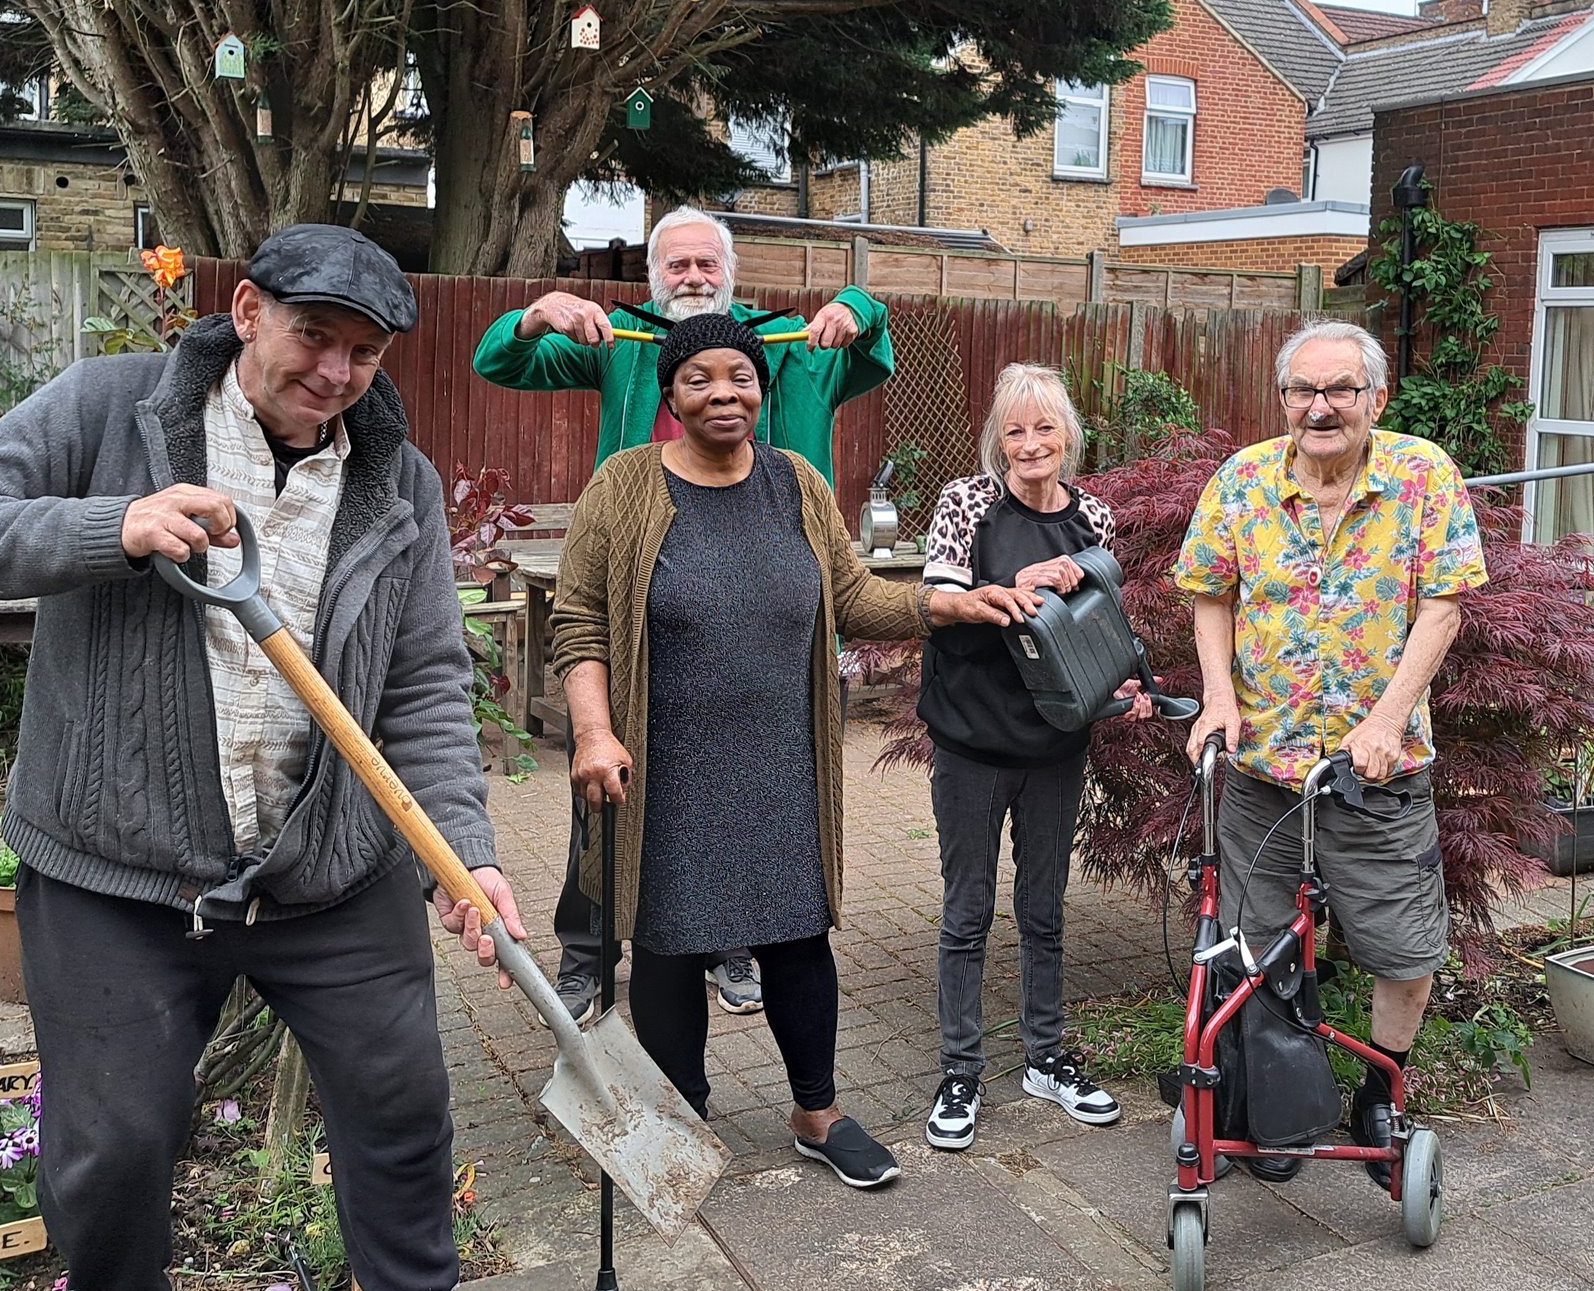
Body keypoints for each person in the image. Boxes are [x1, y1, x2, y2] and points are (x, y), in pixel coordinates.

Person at [0, 226, 547, 1291]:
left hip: (327, 871)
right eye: (314, 337)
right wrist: (112, 528)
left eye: (365, 351)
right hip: (118, 874)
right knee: (116, 1131)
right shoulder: (106, 409)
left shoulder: (395, 481)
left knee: (401, 1099)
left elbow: (424, 688)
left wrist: (469, 852)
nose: (337, 372)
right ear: (246, 310)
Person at [552, 314, 1033, 1190]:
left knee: (797, 939)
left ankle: (817, 1111)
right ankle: (680, 1116)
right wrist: (593, 728)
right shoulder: (622, 486)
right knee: (669, 946)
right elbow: (579, 619)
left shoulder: (796, 482)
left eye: (739, 375)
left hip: (782, 759)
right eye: (699, 378)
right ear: (670, 395)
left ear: (761, 388)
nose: (723, 392)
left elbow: (851, 597)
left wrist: (948, 604)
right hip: (667, 762)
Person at [474, 206, 893, 1023]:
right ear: (652, 277)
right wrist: (533, 315)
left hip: (767, 629)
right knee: (606, 790)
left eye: (706, 264)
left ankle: (731, 949)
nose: (693, 278)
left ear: (730, 274)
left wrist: (857, 305)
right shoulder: (626, 348)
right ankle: (589, 953)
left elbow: (874, 347)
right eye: (678, 266)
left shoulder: (795, 350)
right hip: (649, 617)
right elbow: (502, 361)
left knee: (745, 805)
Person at [1174, 319, 1487, 1184]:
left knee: (1406, 949)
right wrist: (1221, 696)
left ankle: (1378, 1094)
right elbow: (1209, 590)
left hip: (1374, 776)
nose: (1321, 407)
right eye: (1304, 391)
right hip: (1264, 772)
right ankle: (1268, 1091)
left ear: (1375, 398)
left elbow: (1446, 602)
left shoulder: (1422, 476)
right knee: (1253, 944)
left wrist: (1388, 717)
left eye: (1341, 389)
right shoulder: (1241, 481)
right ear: (1283, 400)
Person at [917, 363, 1151, 1153]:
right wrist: (1016, 584)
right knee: (968, 910)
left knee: (1045, 907)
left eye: (1043, 428)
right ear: (997, 440)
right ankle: (960, 1070)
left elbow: (1101, 627)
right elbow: (939, 602)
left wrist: (1127, 684)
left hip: (1056, 743)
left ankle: (1046, 1058)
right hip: (973, 739)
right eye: (1014, 430)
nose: (1029, 444)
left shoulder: (1094, 516)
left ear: (1067, 436)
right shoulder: (966, 503)